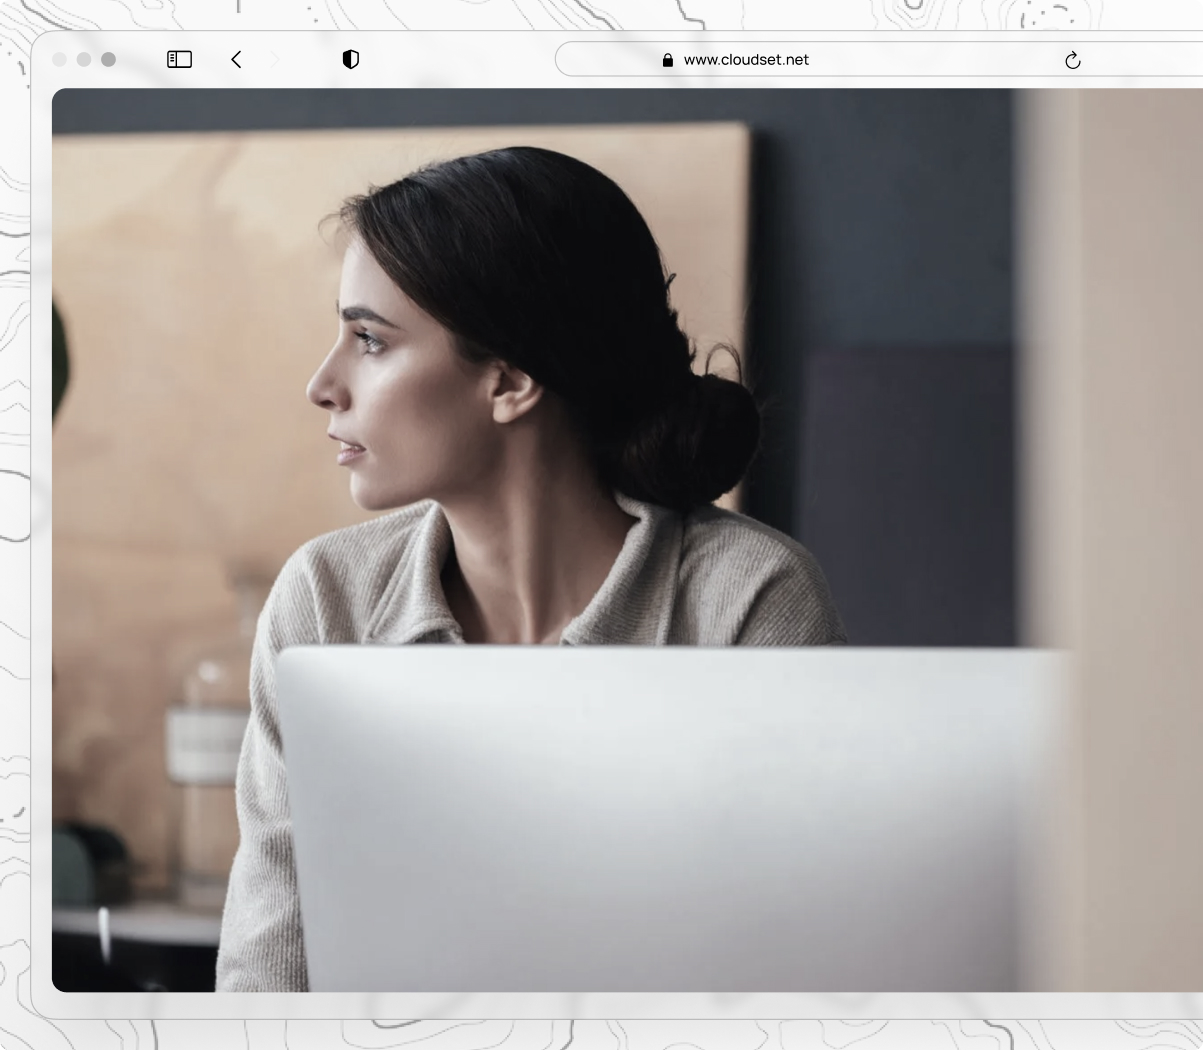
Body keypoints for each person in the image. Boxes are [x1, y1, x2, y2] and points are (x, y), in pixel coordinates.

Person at [215, 146, 846, 991]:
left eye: (369, 339)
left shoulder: (748, 601)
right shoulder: (324, 599)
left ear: (509, 381)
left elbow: (800, 966)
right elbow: (267, 971)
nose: (322, 385)